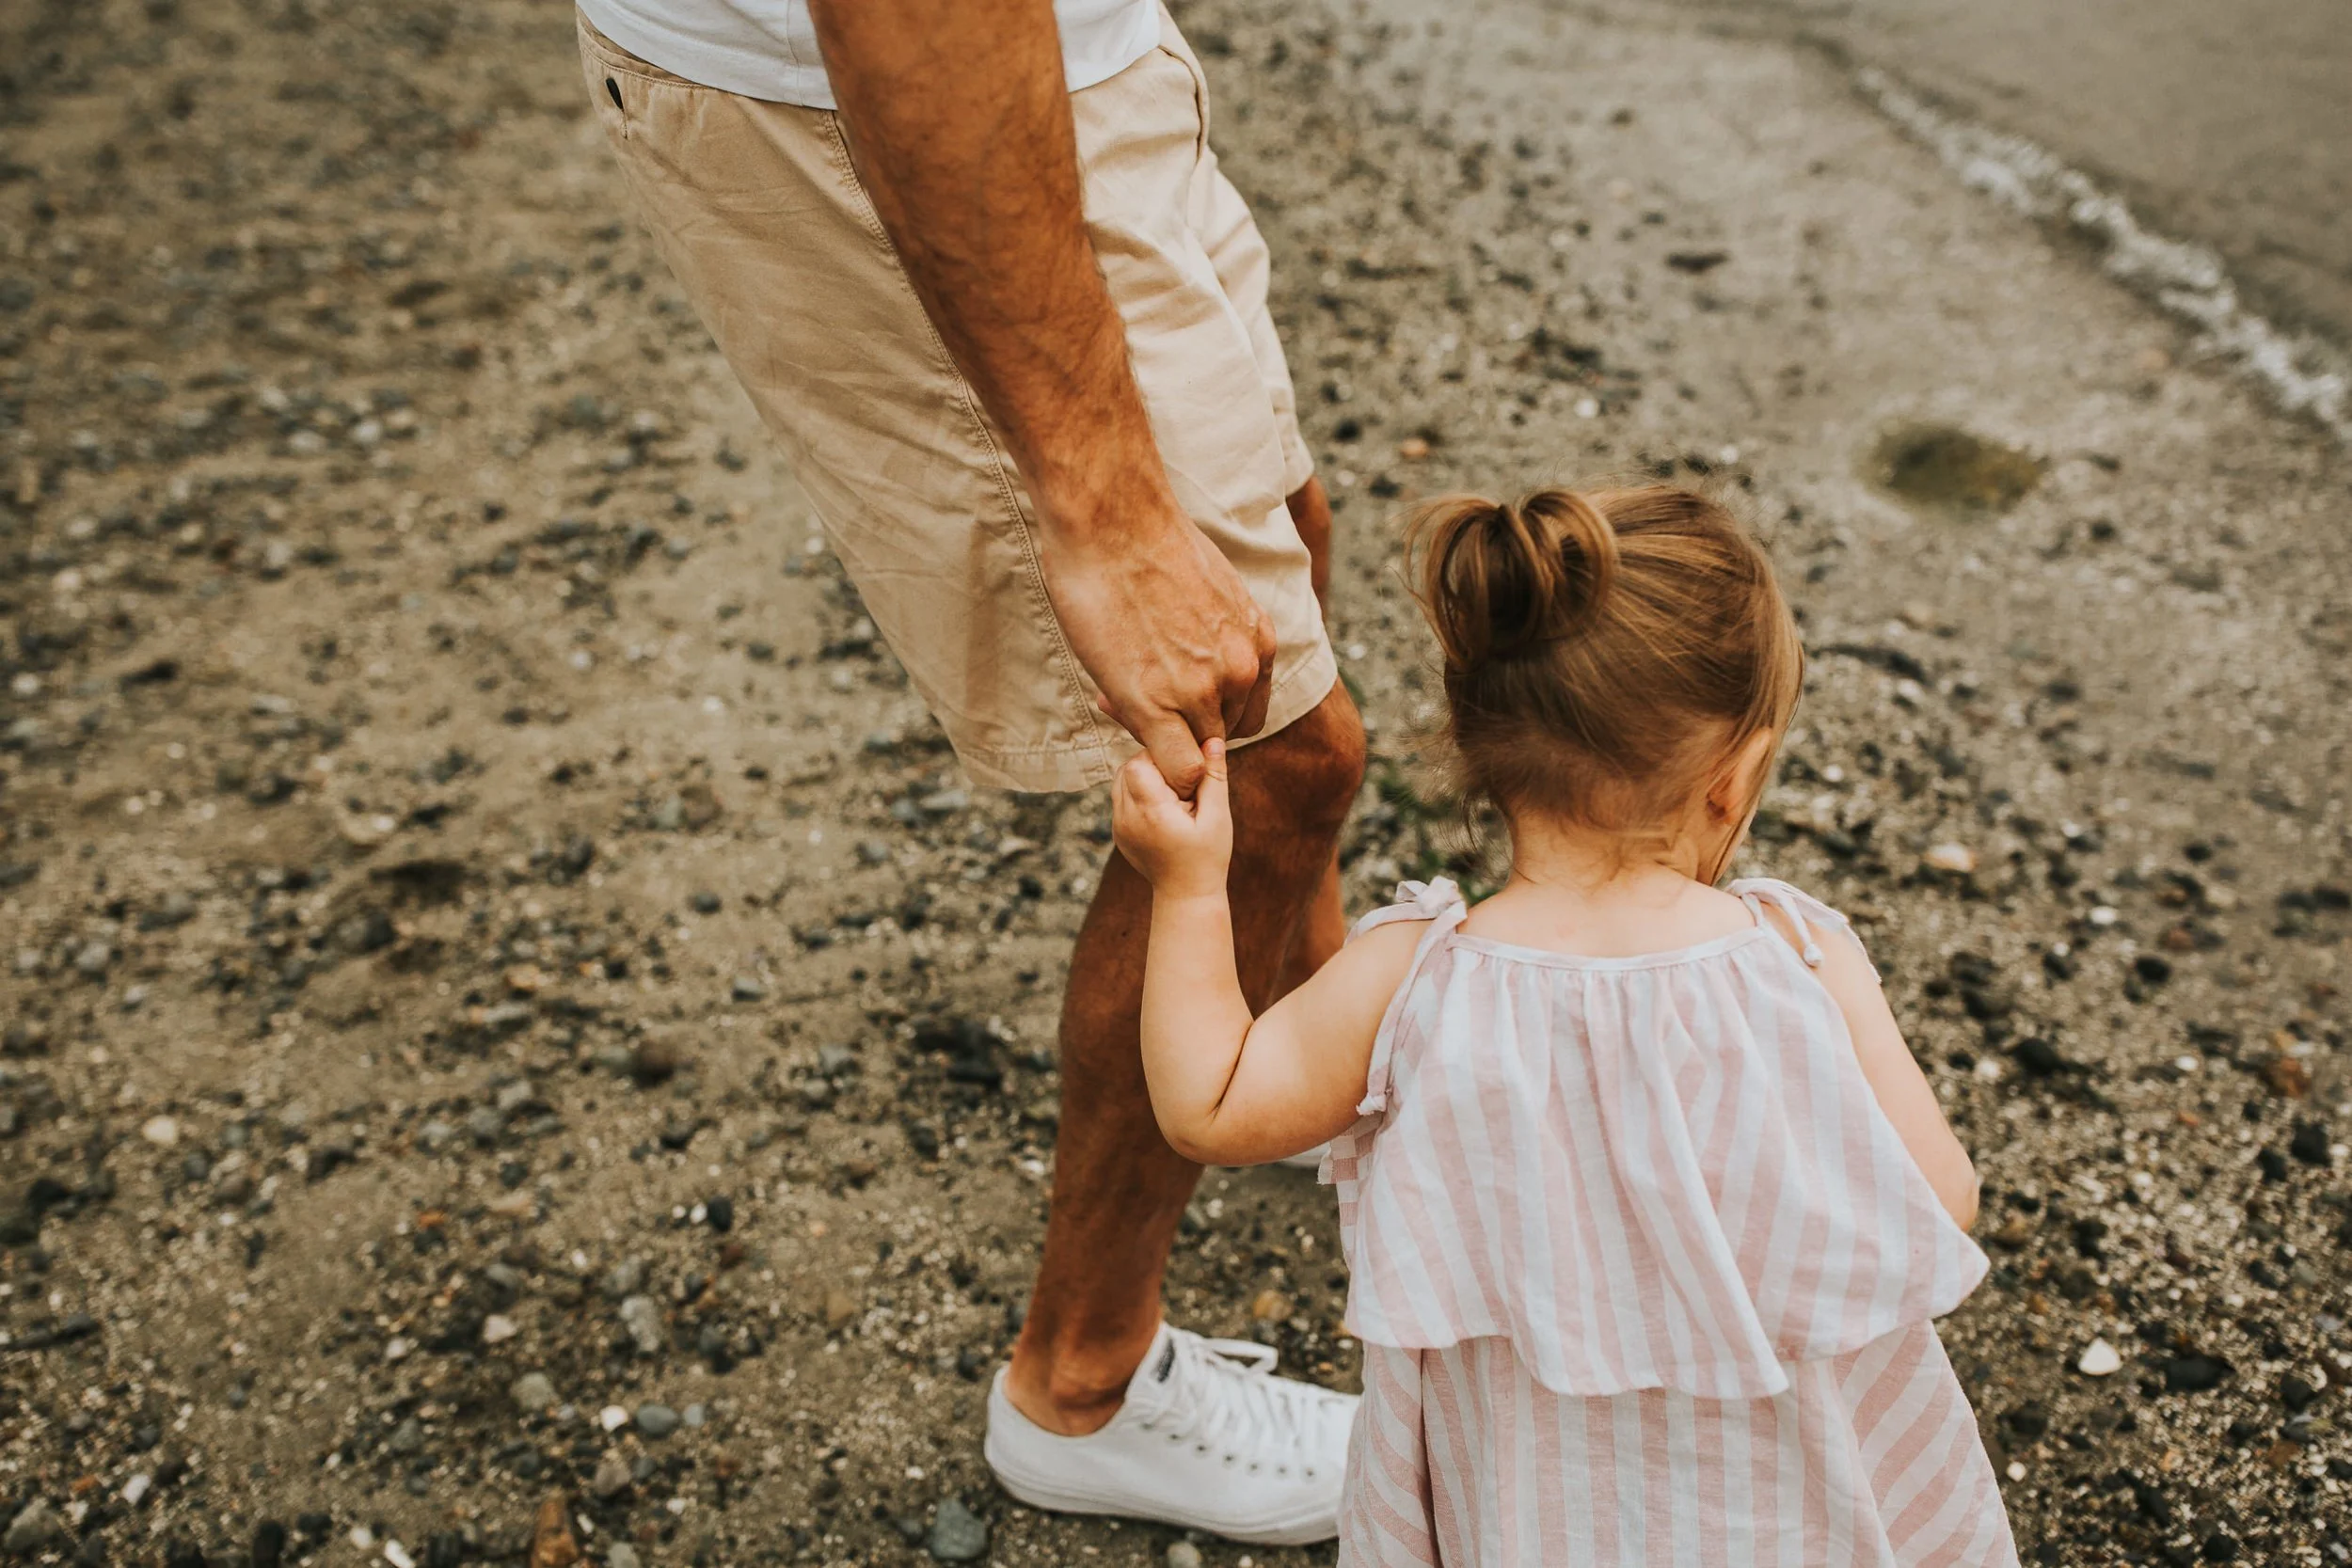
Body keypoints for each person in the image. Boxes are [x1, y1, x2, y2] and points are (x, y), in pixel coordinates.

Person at [572, 0, 1363, 1542]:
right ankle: (1084, 1381)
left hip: (1070, 60)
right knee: (1264, 765)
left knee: (1292, 572)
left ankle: (1312, 1061)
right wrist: (1107, 508)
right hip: (904, 105)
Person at [1113, 485, 2021, 1563]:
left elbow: (1208, 1102)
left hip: (1535, 1500)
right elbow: (1939, 1199)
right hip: (1787, 1493)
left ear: (1472, 740)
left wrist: (1187, 885)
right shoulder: (1796, 957)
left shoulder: (1414, 972)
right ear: (1732, 778)